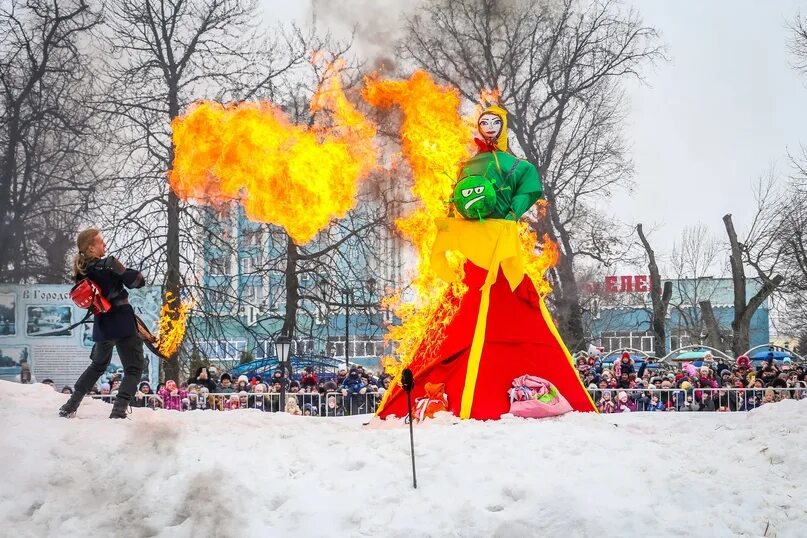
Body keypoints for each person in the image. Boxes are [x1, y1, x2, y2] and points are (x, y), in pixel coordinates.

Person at [59, 229, 147, 419]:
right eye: (100, 242)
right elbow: (137, 282)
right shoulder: (108, 265)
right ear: (91, 246)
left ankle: (71, 405)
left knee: (97, 366)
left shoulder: (82, 271)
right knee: (134, 367)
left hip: (103, 322)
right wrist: (121, 268)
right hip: (122, 321)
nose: (104, 245)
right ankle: (119, 409)